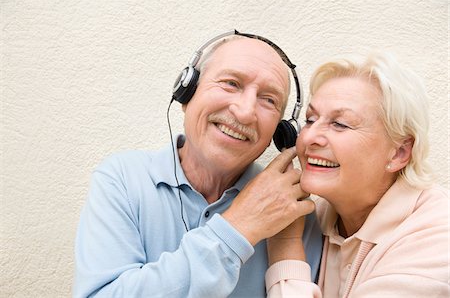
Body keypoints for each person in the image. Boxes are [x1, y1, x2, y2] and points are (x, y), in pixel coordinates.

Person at [73, 31, 323, 297]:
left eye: (269, 100)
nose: (245, 111)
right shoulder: (121, 179)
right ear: (187, 93)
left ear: (281, 131)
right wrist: (238, 227)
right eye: (231, 83)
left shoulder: (292, 211)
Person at [265, 51, 450, 297]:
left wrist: (285, 247)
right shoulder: (317, 215)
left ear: (399, 153)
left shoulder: (437, 238)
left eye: (340, 124)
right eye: (310, 120)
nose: (307, 138)